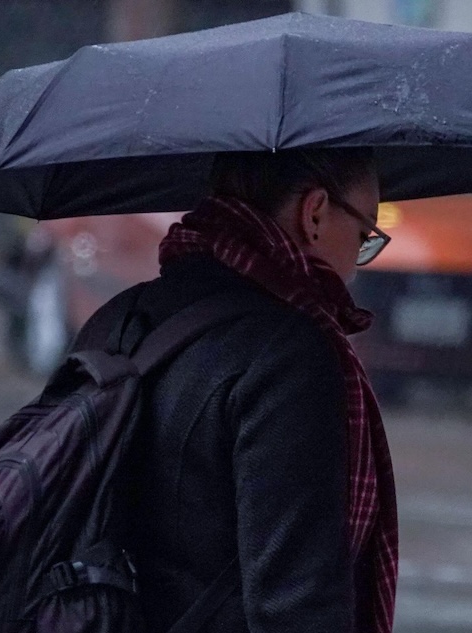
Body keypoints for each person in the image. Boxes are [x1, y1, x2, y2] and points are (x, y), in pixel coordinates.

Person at [68, 148, 398, 633]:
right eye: (364, 234)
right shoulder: (289, 355)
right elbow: (297, 604)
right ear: (315, 213)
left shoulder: (117, 321)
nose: (357, 263)